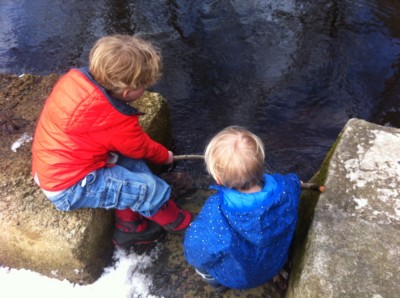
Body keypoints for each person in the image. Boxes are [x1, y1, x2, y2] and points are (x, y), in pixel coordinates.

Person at [31, 34, 192, 249]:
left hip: (55, 167)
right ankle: (181, 223)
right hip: (70, 187)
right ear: (127, 92)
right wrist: (165, 156)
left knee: (133, 168)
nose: (146, 89)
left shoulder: (73, 82)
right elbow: (140, 147)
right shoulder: (114, 118)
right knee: (148, 188)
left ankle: (130, 226)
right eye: (143, 86)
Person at [183, 126, 301, 291]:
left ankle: (217, 285)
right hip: (276, 262)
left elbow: (195, 251)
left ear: (218, 179)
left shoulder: (216, 212)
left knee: (201, 264)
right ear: (261, 166)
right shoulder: (286, 188)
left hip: (241, 279)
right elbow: (295, 182)